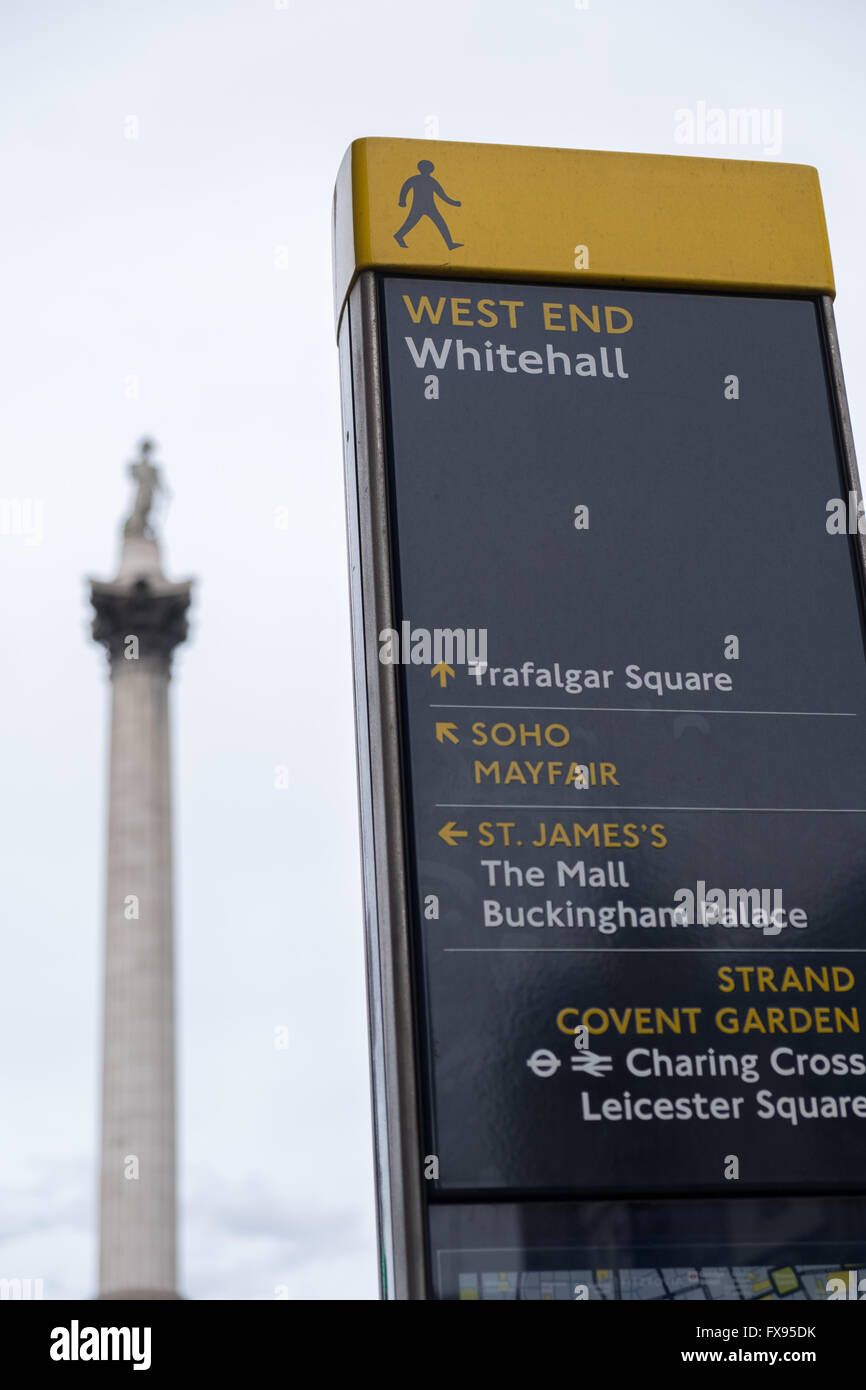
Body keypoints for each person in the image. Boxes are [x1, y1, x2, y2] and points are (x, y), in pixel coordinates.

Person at [394, 160, 463, 249]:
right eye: (426, 168)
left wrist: (454, 203)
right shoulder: (415, 179)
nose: (427, 170)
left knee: (441, 223)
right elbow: (405, 188)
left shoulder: (432, 181)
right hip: (418, 207)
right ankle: (399, 236)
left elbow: (442, 195)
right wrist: (402, 201)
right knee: (410, 223)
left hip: (430, 207)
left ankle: (450, 244)